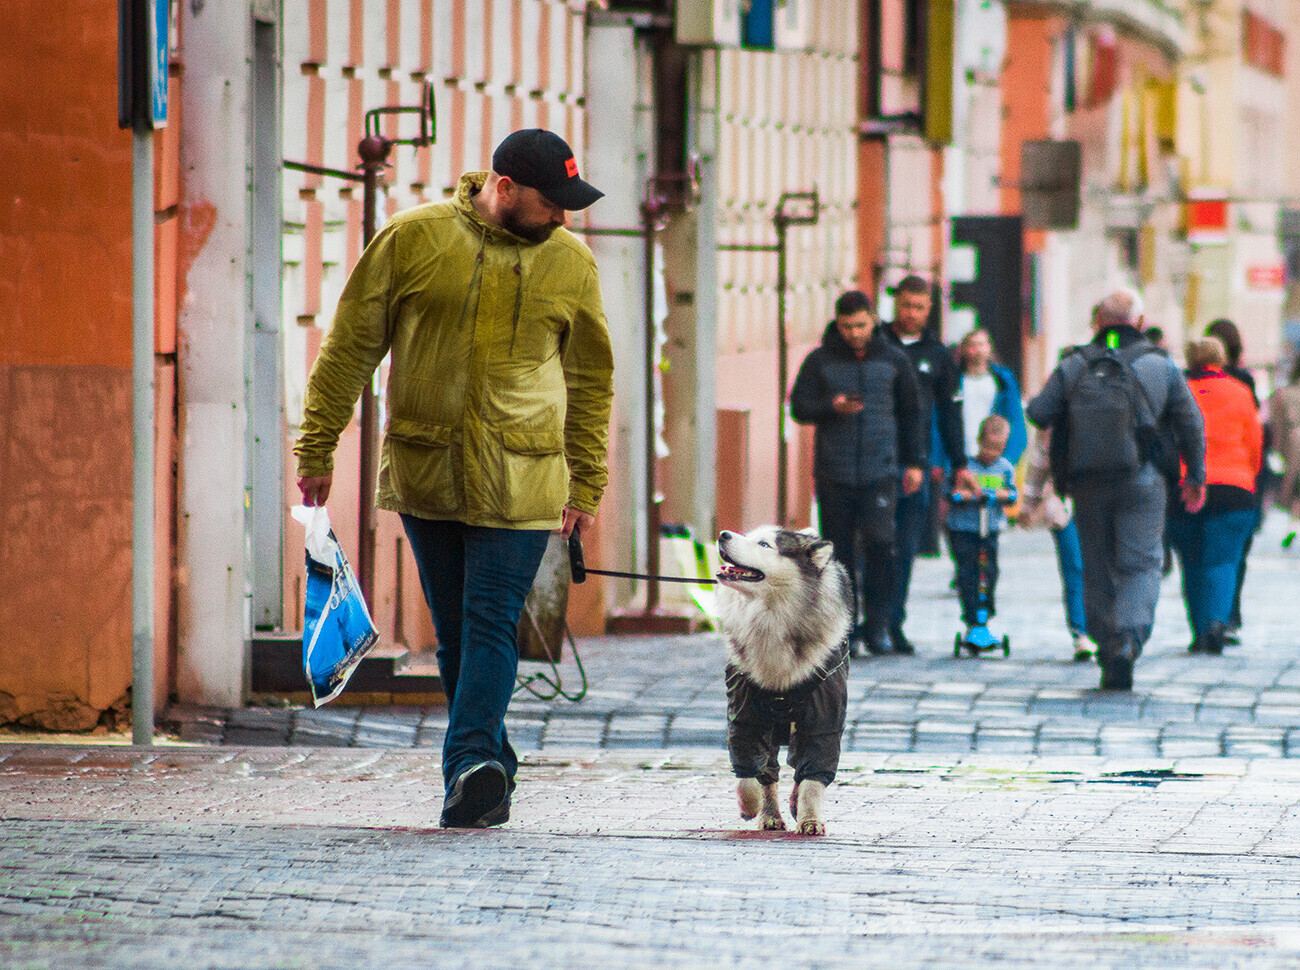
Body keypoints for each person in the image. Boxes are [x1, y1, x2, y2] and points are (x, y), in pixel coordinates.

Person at [295, 129, 615, 828]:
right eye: (551, 202)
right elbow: (352, 343)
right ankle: (492, 761)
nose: (563, 216)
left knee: (490, 620)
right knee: (459, 638)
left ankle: (469, 764)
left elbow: (591, 379)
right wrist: (317, 444)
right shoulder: (415, 239)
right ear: (504, 187)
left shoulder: (571, 263)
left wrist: (586, 484)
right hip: (428, 468)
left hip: (523, 476)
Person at [1026, 287, 1206, 691]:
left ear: (1097, 322)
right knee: (1141, 563)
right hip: (1144, 480)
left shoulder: (1074, 363)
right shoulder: (1159, 364)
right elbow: (1191, 422)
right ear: (1140, 323)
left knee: (1096, 565)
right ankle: (1127, 639)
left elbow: (1039, 412)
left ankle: (1106, 644)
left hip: (1086, 482)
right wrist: (1195, 476)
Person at [790, 290, 926, 657]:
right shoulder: (820, 360)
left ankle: (878, 625)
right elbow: (799, 407)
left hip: (881, 469)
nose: (854, 333)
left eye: (861, 325)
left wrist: (915, 463)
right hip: (834, 470)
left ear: (873, 320)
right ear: (838, 323)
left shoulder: (894, 360)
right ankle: (843, 630)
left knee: (882, 544)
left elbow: (912, 413)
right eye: (847, 326)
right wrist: (830, 407)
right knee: (838, 552)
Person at [880, 275, 976, 654]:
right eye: (906, 305)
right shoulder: (878, 345)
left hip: (915, 463)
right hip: (876, 460)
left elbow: (951, 414)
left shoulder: (938, 355)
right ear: (895, 303)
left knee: (904, 548)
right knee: (870, 547)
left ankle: (893, 623)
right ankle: (861, 623)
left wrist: (959, 463)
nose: (911, 313)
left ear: (929, 309)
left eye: (919, 307)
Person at [1168, 337, 1264, 654]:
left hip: (1185, 487)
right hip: (1234, 489)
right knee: (1223, 561)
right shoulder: (1240, 392)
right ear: (1221, 360)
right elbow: (1254, 443)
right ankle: (1216, 624)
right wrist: (1247, 475)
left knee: (1192, 563)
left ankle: (1200, 630)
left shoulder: (1178, 392)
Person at [1204, 318, 1262, 642]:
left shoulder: (1188, 381)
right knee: (1233, 554)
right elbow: (1253, 435)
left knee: (1203, 555)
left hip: (1198, 478)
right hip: (1239, 480)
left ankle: (1207, 620)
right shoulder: (1244, 383)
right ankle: (1228, 615)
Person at [1019, 426, 1091, 661]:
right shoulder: (1054, 424)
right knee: (1074, 567)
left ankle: (1100, 627)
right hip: (1063, 507)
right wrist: (1029, 506)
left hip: (1098, 504)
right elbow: (1039, 465)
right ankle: (1081, 633)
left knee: (1098, 568)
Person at [947, 415, 1017, 634]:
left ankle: (986, 610)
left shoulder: (1004, 468)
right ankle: (971, 615)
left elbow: (1012, 494)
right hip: (964, 527)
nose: (991, 453)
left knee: (990, 570)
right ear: (979, 441)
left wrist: (1002, 495)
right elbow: (950, 493)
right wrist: (963, 495)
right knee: (967, 571)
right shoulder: (966, 466)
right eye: (987, 447)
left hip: (990, 528)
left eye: (997, 448)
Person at [954, 328, 1028, 467]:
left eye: (982, 344)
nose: (978, 350)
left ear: (990, 348)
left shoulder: (1003, 381)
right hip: (960, 460)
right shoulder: (952, 382)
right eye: (973, 345)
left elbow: (1016, 421)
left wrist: (1009, 459)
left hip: (995, 461)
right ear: (963, 350)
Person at [1270, 355, 1300, 547]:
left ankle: (1293, 527)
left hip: (1293, 446)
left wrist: (1276, 450)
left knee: (1296, 492)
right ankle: (1293, 527)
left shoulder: (1283, 393)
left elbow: (1277, 428)